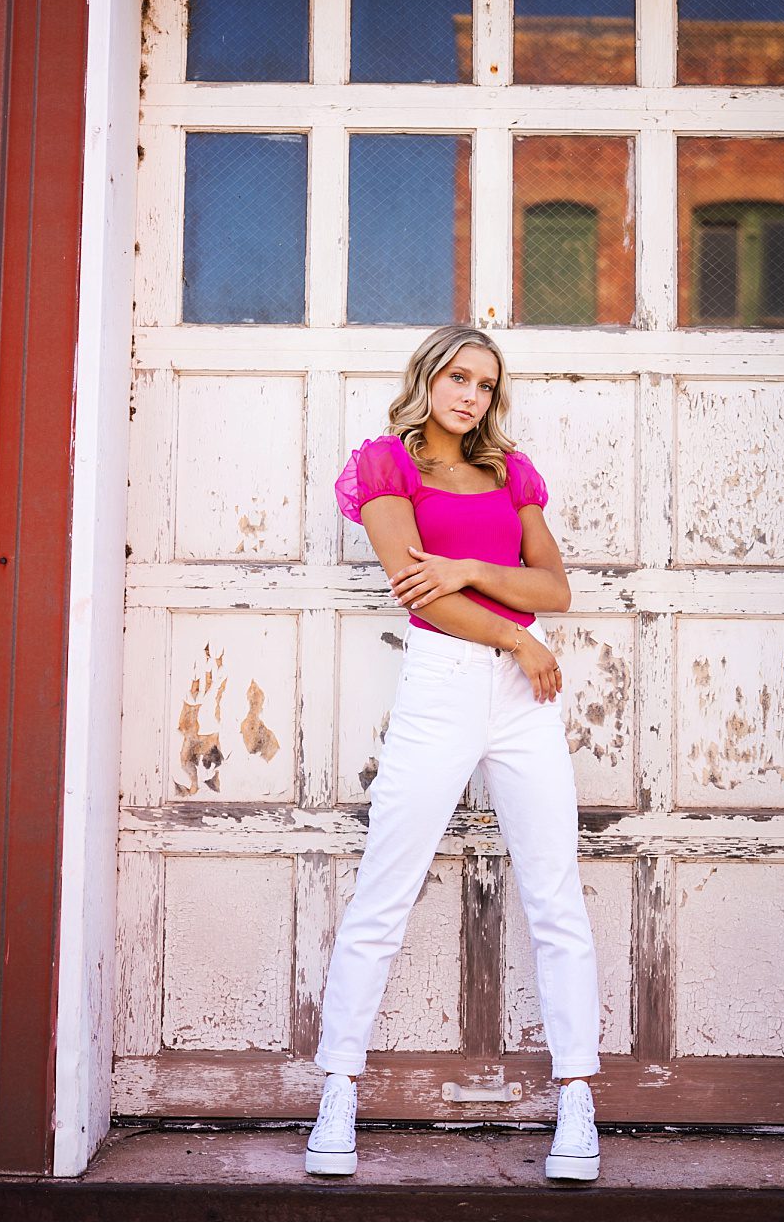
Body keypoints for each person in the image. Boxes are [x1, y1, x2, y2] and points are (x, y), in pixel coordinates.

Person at [304, 324, 600, 1184]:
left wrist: (468, 569)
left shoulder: (511, 475)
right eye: (458, 377)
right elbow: (411, 584)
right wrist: (518, 636)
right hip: (444, 687)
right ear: (429, 378)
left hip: (521, 702)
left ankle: (576, 1098)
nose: (470, 394)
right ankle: (338, 1086)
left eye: (485, 383)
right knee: (384, 888)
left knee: (554, 894)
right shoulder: (389, 466)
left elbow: (558, 588)